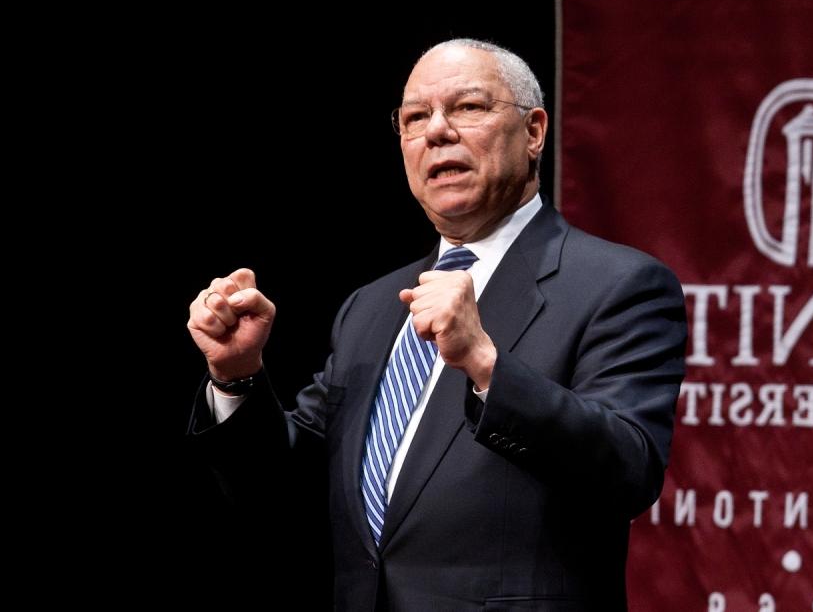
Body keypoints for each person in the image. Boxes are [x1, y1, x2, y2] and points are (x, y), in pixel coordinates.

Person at [186, 38, 687, 611]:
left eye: (468, 108)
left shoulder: (617, 285)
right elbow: (284, 487)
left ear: (533, 131)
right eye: (415, 117)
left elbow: (629, 470)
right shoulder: (371, 306)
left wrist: (486, 364)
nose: (437, 132)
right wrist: (237, 376)